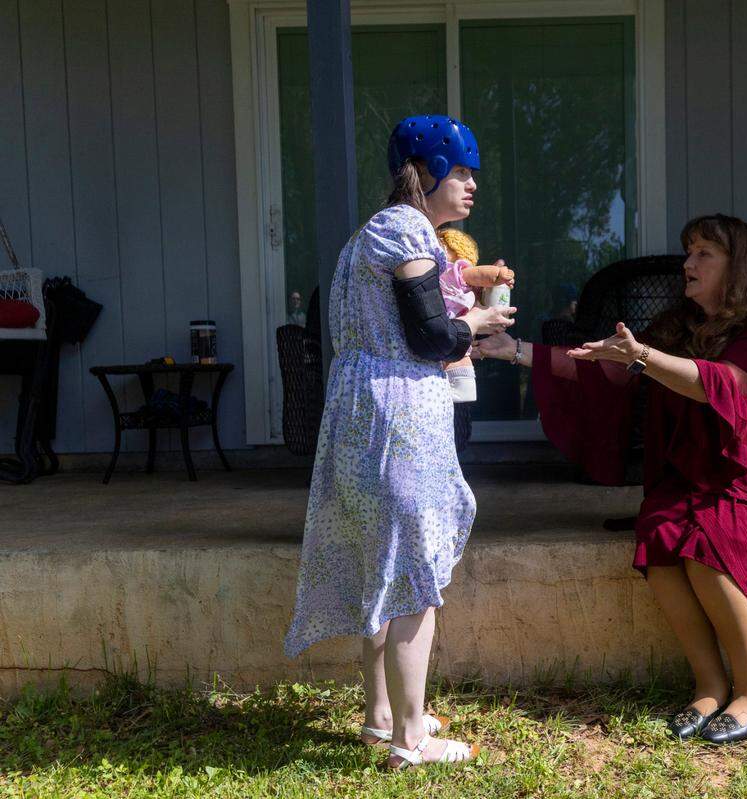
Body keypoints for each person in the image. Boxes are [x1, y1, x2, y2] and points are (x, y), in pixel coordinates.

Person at [476, 213, 747, 744]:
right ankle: (708, 684)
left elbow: (719, 385)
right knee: (658, 537)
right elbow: (604, 367)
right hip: (702, 476)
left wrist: (643, 357)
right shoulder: (677, 327)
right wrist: (511, 352)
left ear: (740, 266)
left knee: (705, 544)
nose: (688, 263)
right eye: (690, 251)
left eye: (705, 253)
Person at [284, 114, 515, 770]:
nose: (472, 185)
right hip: (397, 416)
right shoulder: (408, 227)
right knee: (413, 573)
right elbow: (433, 338)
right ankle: (411, 740)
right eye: (462, 172)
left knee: (383, 567)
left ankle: (380, 716)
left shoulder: (371, 234)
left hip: (363, 412)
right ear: (430, 169)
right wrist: (476, 320)